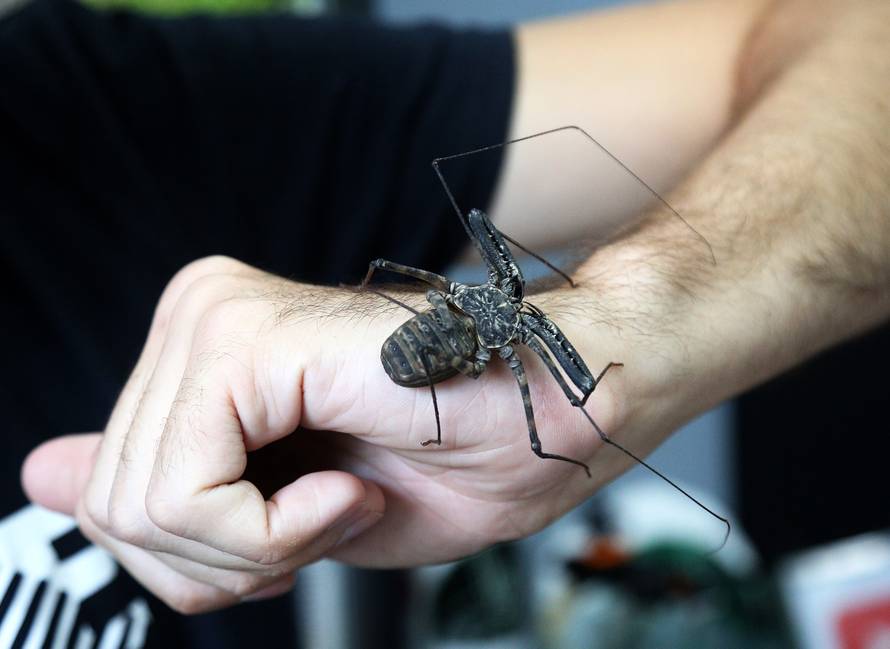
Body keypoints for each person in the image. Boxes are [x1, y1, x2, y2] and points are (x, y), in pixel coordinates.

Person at [4, 0, 889, 645]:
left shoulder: (92, 104)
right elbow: (532, 407)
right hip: (449, 333)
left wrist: (639, 312)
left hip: (451, 324)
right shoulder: (504, 333)